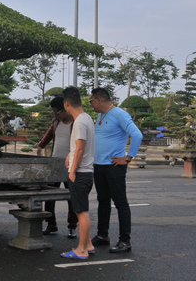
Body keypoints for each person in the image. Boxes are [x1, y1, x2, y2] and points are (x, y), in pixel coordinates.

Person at [89, 87, 143, 254]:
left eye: (91, 100)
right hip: (99, 166)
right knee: (103, 202)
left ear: (99, 99)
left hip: (114, 167)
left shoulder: (119, 114)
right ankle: (102, 235)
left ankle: (125, 241)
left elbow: (137, 135)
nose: (90, 103)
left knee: (120, 203)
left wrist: (127, 158)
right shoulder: (100, 115)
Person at [60, 86, 96, 260]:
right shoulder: (86, 118)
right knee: (80, 209)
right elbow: (79, 147)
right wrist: (70, 155)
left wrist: (72, 170)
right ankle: (88, 244)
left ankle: (81, 250)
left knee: (81, 211)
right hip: (86, 171)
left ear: (67, 104)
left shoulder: (80, 121)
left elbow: (81, 149)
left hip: (81, 172)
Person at [37, 96, 78, 239]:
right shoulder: (56, 122)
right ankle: (51, 224)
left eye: (57, 113)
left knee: (72, 196)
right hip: (55, 164)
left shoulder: (77, 123)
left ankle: (72, 226)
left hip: (71, 165)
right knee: (49, 195)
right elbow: (49, 135)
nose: (55, 116)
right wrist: (40, 145)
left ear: (65, 109)